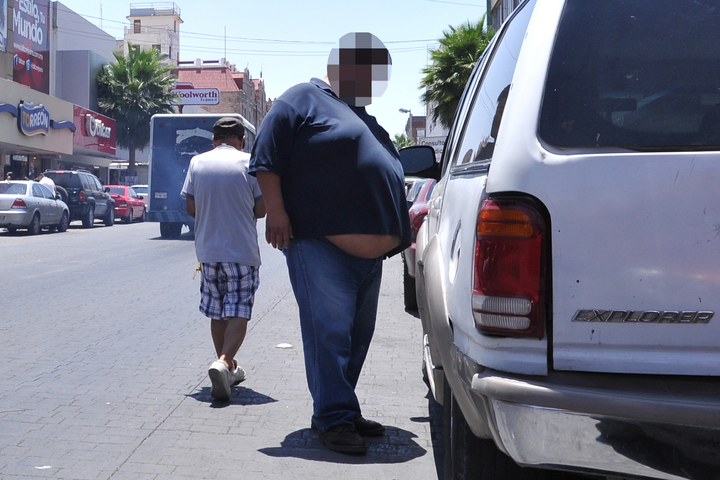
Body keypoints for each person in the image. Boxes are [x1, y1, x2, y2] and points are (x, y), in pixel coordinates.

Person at [249, 32, 411, 455]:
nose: (376, 82)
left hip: (370, 259)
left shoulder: (359, 115)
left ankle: (340, 408)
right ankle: (333, 418)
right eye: (370, 72)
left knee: (356, 338)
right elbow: (266, 155)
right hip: (321, 245)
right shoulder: (301, 98)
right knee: (330, 335)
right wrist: (276, 210)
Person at [181, 117, 266, 401]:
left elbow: (191, 207)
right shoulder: (250, 163)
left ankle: (227, 368)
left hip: (208, 252)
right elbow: (261, 210)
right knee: (239, 310)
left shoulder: (197, 163)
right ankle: (224, 361)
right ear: (241, 140)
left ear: (214, 140)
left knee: (216, 312)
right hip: (241, 251)